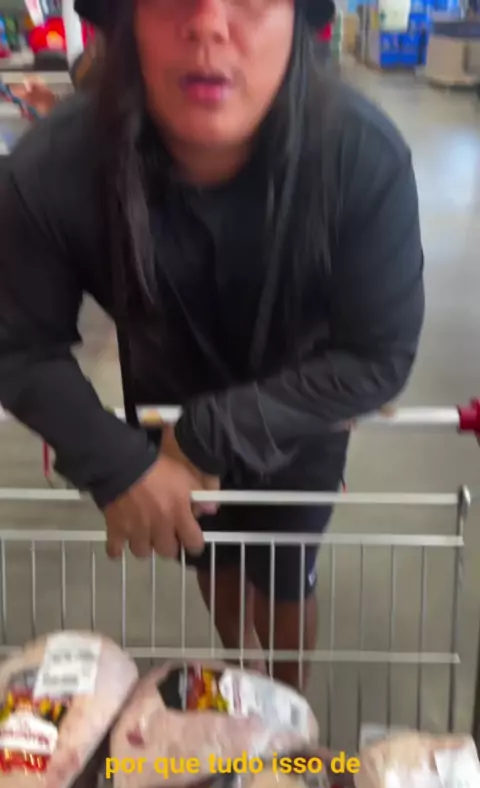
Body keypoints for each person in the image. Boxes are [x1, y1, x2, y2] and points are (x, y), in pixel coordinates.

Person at [0, 0, 425, 690]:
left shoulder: (361, 156)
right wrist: (117, 466)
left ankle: (285, 702)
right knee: (212, 557)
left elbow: (381, 353)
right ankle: (240, 674)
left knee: (286, 573)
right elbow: (18, 345)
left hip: (301, 409)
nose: (208, 23)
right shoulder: (52, 171)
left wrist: (209, 434)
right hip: (165, 408)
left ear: (298, 18)